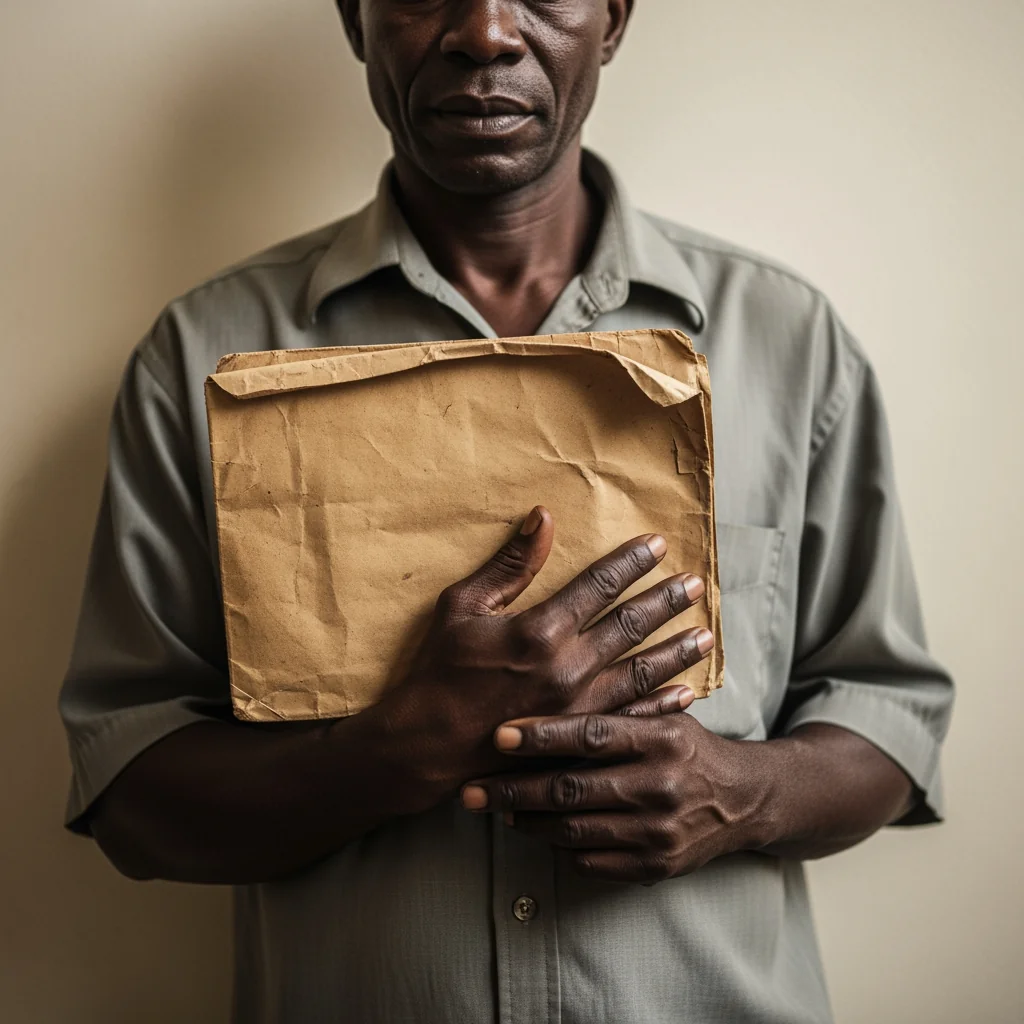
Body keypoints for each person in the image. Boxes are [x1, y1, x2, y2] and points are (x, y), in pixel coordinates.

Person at [59, 2, 954, 1022]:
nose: (484, 31)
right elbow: (130, 792)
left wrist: (741, 792)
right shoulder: (202, 358)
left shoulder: (788, 341)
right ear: (355, 19)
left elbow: (889, 720)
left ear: (613, 18)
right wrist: (388, 754)